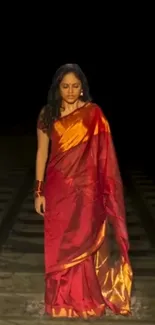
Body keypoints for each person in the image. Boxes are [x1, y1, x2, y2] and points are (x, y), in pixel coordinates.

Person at [34, 63, 133, 319]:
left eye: (75, 86)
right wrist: (38, 191)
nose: (70, 91)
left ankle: (85, 300)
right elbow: (42, 152)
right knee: (59, 245)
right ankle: (59, 301)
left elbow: (104, 155)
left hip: (86, 191)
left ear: (82, 89)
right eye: (65, 86)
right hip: (57, 190)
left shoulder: (94, 114)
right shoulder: (48, 114)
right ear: (57, 88)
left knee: (84, 240)